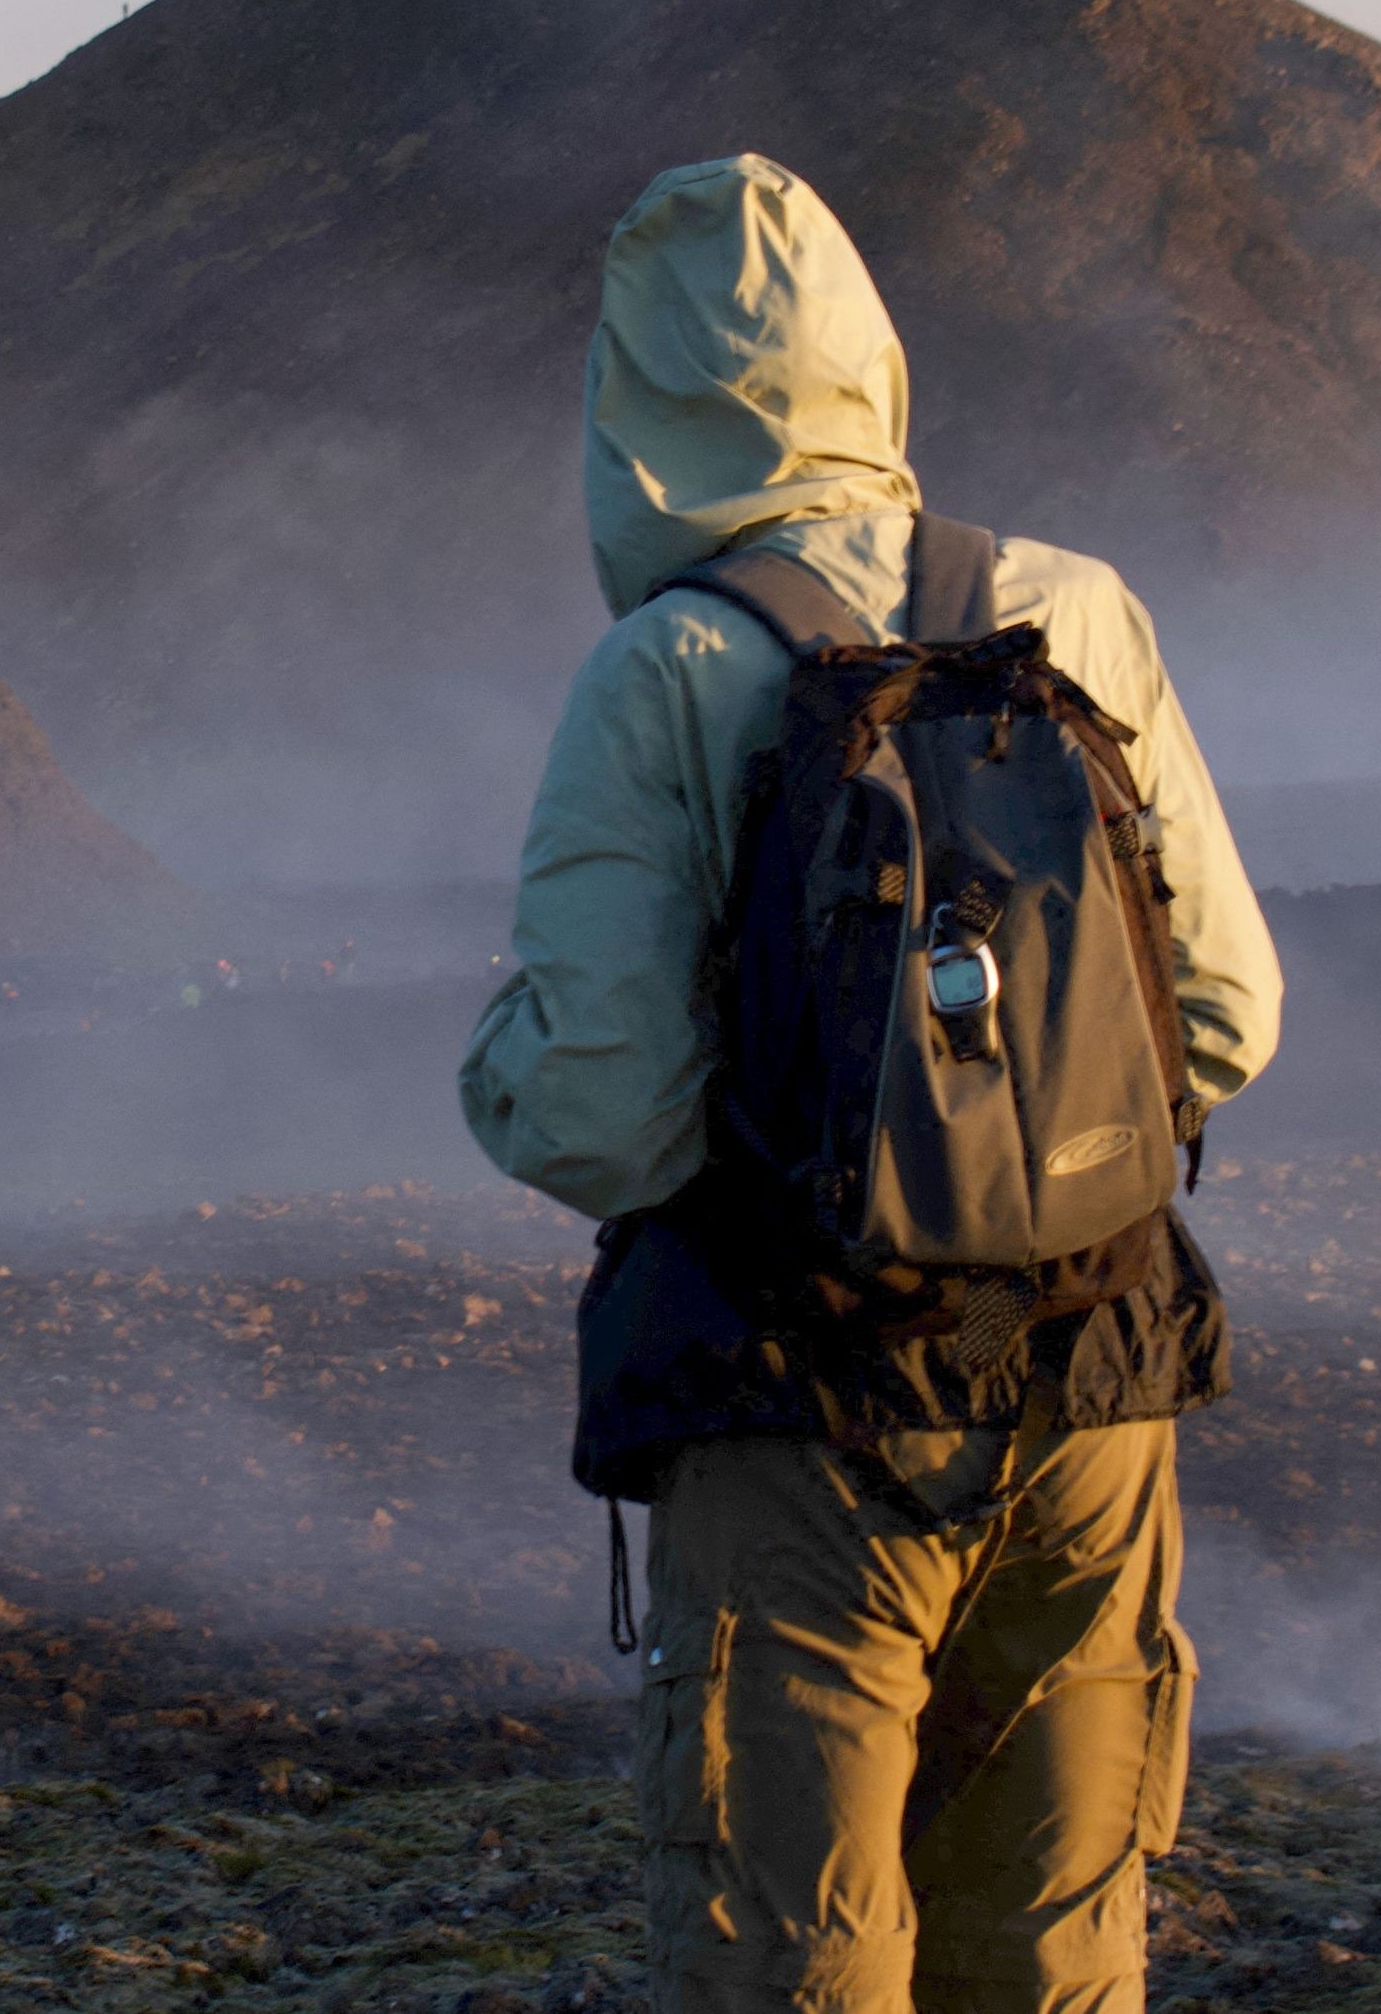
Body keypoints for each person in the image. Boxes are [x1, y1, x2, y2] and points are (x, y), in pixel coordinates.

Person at [460, 156, 1280, 2014]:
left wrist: (492, 1069)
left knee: (797, 1972)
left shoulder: (667, 669)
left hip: (802, 1424)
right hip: (1091, 1408)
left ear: (634, 412)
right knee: (1058, 1962)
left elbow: (603, 1107)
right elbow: (1224, 1016)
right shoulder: (1077, 614)